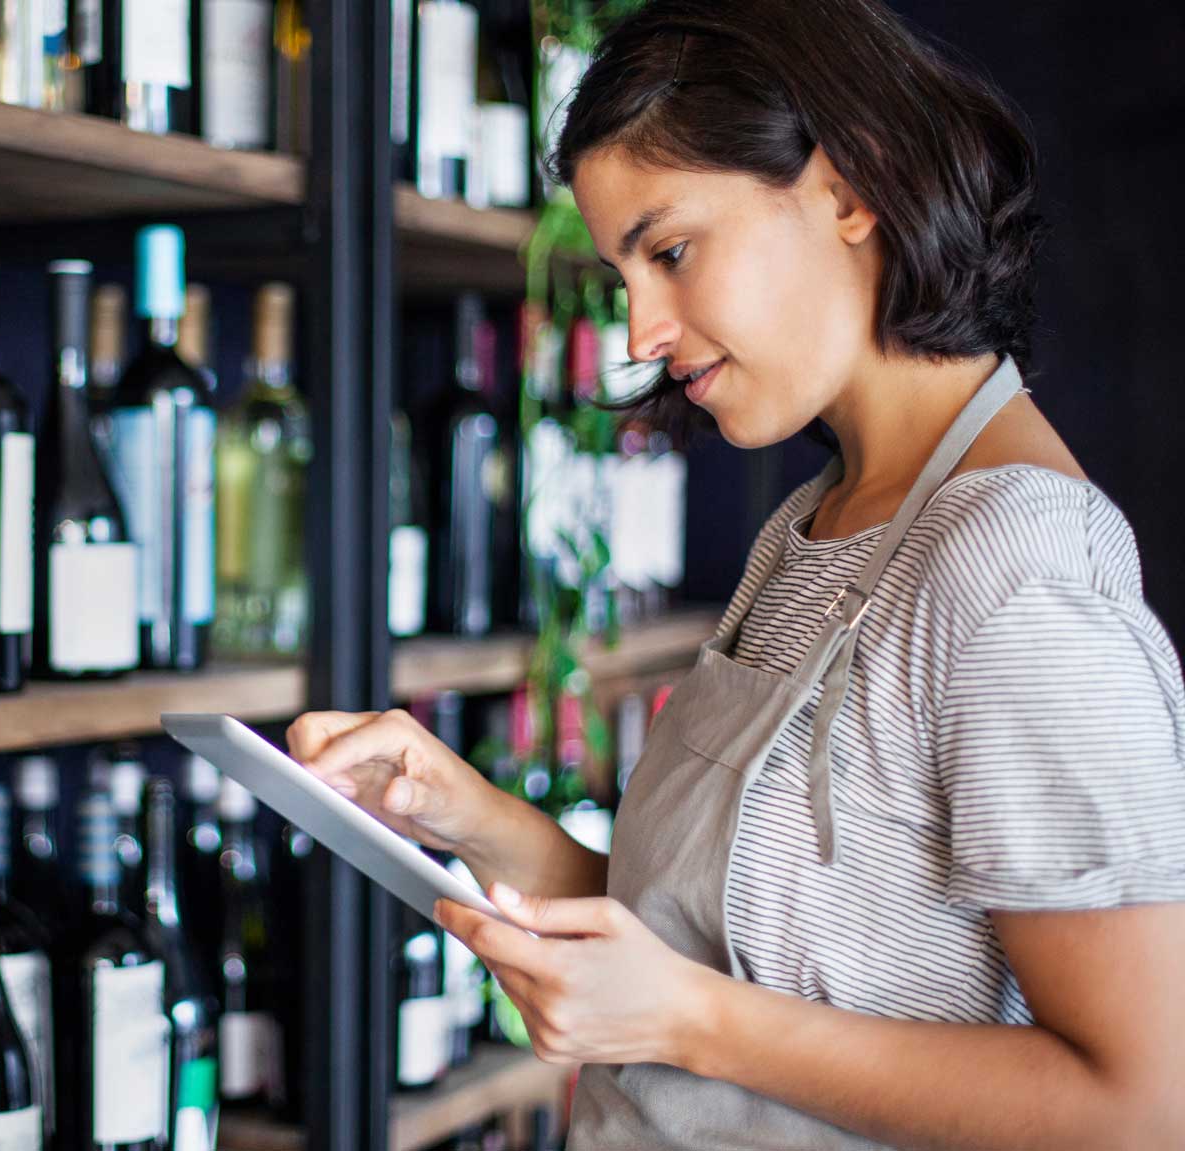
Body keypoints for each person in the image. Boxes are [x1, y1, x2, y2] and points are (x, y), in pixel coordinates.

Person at [289, 1, 1185, 1147]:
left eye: (669, 252)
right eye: (623, 273)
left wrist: (691, 1024)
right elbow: (704, 949)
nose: (640, 330)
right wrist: (464, 813)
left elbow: (1139, 1104)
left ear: (853, 186)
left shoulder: (1016, 573)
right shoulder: (820, 522)